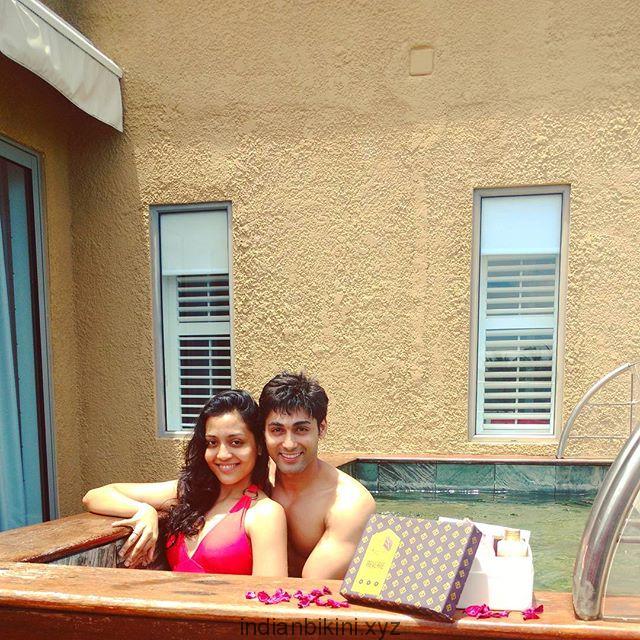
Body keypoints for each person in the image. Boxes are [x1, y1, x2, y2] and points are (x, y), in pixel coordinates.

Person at [82, 390, 287, 576]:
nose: (222, 454)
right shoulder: (190, 492)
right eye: (212, 443)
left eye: (236, 442)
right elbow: (95, 496)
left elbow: (268, 597)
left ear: (259, 446)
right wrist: (144, 511)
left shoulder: (265, 514)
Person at [260, 372, 376, 579]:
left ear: (321, 429)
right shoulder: (256, 481)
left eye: (301, 429)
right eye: (277, 430)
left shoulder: (350, 503)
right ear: (263, 432)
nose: (289, 444)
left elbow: (312, 586)